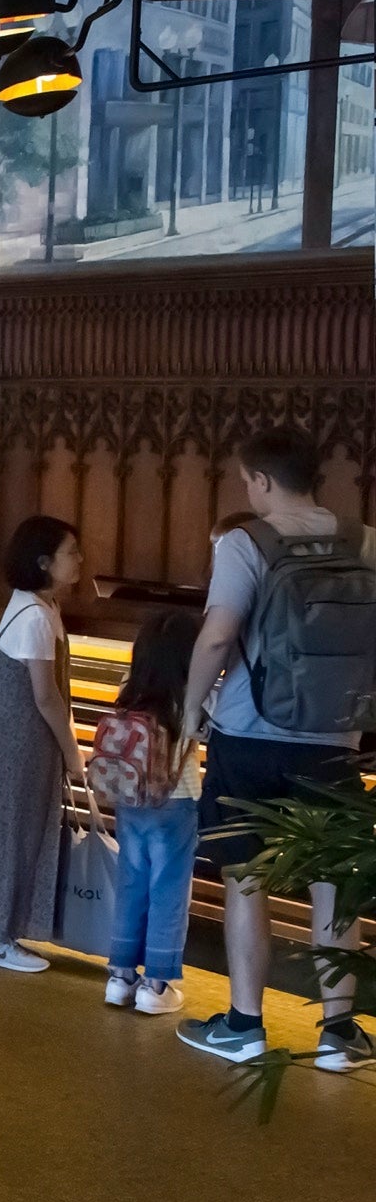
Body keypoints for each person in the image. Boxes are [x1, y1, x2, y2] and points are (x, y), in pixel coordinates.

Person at [177, 427, 376, 1069]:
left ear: (260, 480)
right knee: (334, 881)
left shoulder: (247, 541)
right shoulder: (366, 541)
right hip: (335, 740)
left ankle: (244, 1025)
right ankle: (340, 1035)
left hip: (251, 736)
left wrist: (188, 711)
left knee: (247, 878)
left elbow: (216, 636)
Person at [0, 515, 84, 974]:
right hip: (22, 741)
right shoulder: (36, 615)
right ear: (43, 562)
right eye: (70, 552)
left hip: (22, 740)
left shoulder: (36, 604)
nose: (78, 560)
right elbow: (47, 696)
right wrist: (74, 754)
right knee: (12, 833)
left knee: (11, 831)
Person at [97, 608, 203, 1015]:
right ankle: (156, 984)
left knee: (131, 884)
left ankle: (120, 977)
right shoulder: (190, 690)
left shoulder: (131, 684)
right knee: (168, 891)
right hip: (175, 801)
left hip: (130, 798)